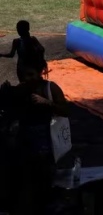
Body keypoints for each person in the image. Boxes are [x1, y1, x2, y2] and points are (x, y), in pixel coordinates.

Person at [9, 57, 70, 214]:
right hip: (25, 142)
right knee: (26, 178)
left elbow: (65, 111)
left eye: (31, 74)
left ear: (40, 72)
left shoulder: (51, 88)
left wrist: (47, 103)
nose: (27, 79)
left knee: (46, 177)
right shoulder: (21, 90)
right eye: (24, 75)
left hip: (46, 141)